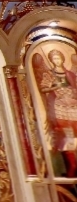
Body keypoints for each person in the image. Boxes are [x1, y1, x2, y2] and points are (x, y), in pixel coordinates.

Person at [33, 49, 77, 178]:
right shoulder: (49, 75)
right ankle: (72, 167)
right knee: (67, 136)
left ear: (63, 59)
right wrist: (55, 86)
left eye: (58, 58)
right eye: (54, 59)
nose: (57, 61)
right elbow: (43, 88)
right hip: (60, 108)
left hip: (74, 106)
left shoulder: (70, 74)